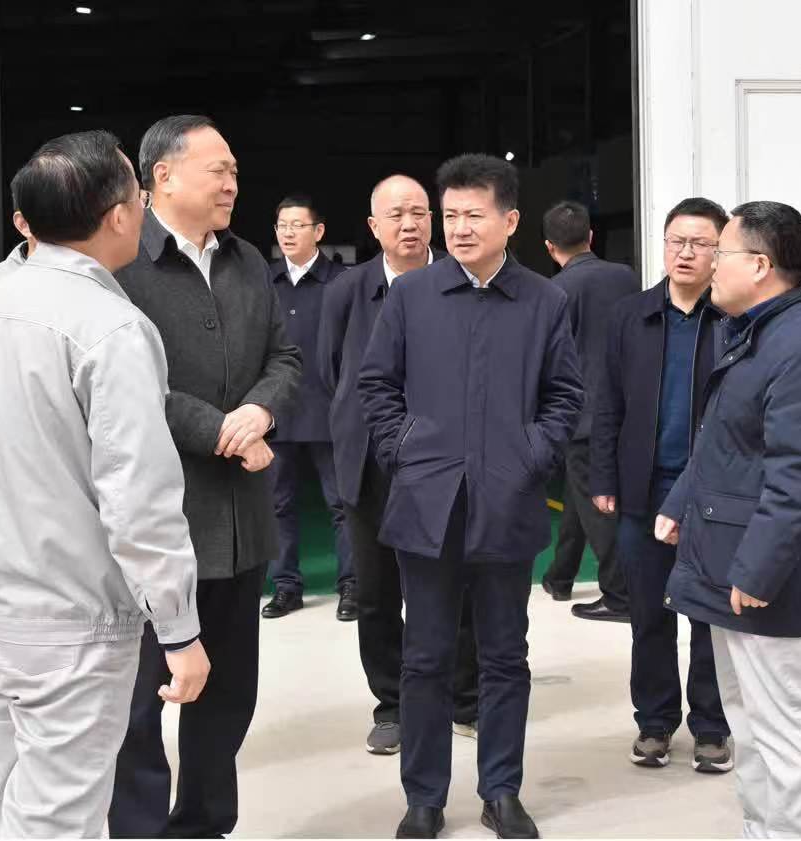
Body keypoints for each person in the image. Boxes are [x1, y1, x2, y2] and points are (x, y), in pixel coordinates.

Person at [0, 130, 209, 838]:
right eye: (137, 195)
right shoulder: (112, 328)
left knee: (0, 802)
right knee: (59, 818)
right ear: (118, 215)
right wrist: (179, 628)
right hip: (70, 625)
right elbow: (138, 498)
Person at [360, 153, 583, 840]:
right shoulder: (412, 296)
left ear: (510, 221)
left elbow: (565, 396)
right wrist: (406, 450)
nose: (458, 228)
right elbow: (376, 386)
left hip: (507, 504)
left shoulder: (544, 301)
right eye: (449, 215)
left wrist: (529, 457)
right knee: (425, 658)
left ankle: (501, 790)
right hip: (427, 507)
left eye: (473, 215)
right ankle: (424, 796)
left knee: (504, 657)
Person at [110, 115, 301, 839]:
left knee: (228, 693)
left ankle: (204, 822)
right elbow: (125, 386)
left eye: (235, 173)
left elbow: (285, 357)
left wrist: (260, 410)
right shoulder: (121, 263)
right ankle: (138, 828)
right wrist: (219, 430)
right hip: (155, 522)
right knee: (141, 698)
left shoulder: (247, 259)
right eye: (218, 170)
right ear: (162, 175)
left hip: (239, 522)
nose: (232, 184)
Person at [657, 200, 801, 838]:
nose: (710, 263)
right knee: (749, 720)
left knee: (787, 727)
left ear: (761, 266)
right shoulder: (753, 333)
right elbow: (726, 442)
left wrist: (760, 570)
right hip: (731, 560)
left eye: (722, 252)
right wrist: (681, 503)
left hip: (767, 579)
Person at [317, 173, 480, 755]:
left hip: (446, 463)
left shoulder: (462, 282)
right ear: (373, 226)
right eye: (396, 215)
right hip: (371, 465)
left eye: (418, 213)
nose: (409, 225)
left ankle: (465, 697)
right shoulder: (348, 291)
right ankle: (392, 703)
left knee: (456, 585)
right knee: (377, 592)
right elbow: (332, 371)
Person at [591, 197, 731, 771]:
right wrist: (604, 475)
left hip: (713, 496)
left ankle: (712, 727)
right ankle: (654, 722)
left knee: (709, 617)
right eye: (677, 241)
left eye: (700, 243)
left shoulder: (732, 317)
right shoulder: (631, 315)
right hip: (642, 491)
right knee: (648, 614)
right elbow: (607, 402)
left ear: (721, 251)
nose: (686, 252)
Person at [537, 199, 638, 620]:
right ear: (591, 237)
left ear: (549, 247)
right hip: (626, 408)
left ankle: (620, 594)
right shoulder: (625, 277)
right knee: (581, 497)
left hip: (581, 416)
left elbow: (549, 358)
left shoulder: (554, 291)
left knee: (599, 507)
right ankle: (560, 576)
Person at [264, 194, 354, 621]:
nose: (288, 233)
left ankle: (351, 586)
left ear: (318, 231)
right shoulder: (264, 281)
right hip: (275, 411)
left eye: (297, 225)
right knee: (277, 505)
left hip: (330, 412)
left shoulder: (343, 282)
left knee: (343, 505)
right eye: (282, 226)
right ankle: (286, 587)